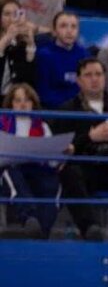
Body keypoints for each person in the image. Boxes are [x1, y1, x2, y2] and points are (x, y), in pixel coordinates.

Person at [52, 57, 108, 241]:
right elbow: (61, 146)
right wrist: (90, 137)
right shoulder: (67, 110)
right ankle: (91, 228)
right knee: (69, 173)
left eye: (98, 74)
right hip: (86, 169)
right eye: (88, 75)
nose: (94, 79)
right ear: (79, 80)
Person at [0, 84, 59, 238]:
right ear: (11, 104)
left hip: (37, 169)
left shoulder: (43, 126)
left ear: (33, 103)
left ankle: (42, 233)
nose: (23, 104)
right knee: (10, 172)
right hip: (12, 169)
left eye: (27, 100)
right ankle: (29, 217)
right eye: (18, 100)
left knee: (52, 182)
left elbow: (53, 161)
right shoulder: (2, 124)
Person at [33, 11, 87, 108]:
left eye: (73, 27)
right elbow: (44, 93)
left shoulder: (84, 54)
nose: (69, 31)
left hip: (81, 108)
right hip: (53, 110)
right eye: (63, 26)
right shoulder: (44, 55)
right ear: (54, 31)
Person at [0, 0, 35, 94]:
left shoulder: (22, 42)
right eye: (7, 14)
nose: (12, 19)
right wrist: (7, 38)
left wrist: (30, 46)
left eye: (15, 14)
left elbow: (29, 80)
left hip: (15, 98)